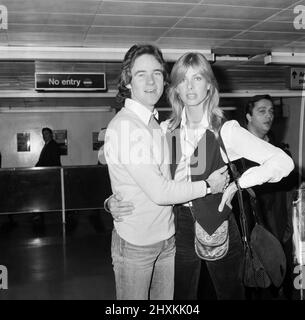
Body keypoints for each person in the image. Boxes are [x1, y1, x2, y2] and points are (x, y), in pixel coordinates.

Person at [107, 52, 294, 300]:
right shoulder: (167, 129)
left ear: (209, 84)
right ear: (175, 88)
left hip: (219, 225)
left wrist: (237, 184)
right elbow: (128, 165)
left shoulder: (225, 131)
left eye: (197, 78)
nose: (190, 86)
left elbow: (283, 163)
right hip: (177, 229)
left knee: (229, 295)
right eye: (183, 80)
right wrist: (112, 200)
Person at [101, 44, 229, 300]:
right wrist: (207, 186)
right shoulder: (126, 126)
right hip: (137, 244)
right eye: (141, 74)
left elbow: (118, 165)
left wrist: (109, 201)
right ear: (128, 81)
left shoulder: (158, 126)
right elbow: (159, 191)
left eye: (157, 73)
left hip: (167, 239)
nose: (151, 81)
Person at [233, 95, 298, 299]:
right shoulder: (237, 155)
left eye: (271, 111)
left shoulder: (279, 151)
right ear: (248, 116)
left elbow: (291, 183)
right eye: (262, 111)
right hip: (251, 232)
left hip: (279, 229)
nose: (269, 115)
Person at [33, 127, 61, 226]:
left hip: (50, 175)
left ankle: (41, 214)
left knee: (46, 195)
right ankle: (41, 213)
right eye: (43, 134)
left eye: (46, 133)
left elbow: (51, 161)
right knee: (45, 196)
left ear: (51, 135)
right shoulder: (47, 145)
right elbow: (42, 161)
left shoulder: (53, 145)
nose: (45, 136)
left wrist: (37, 168)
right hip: (46, 175)